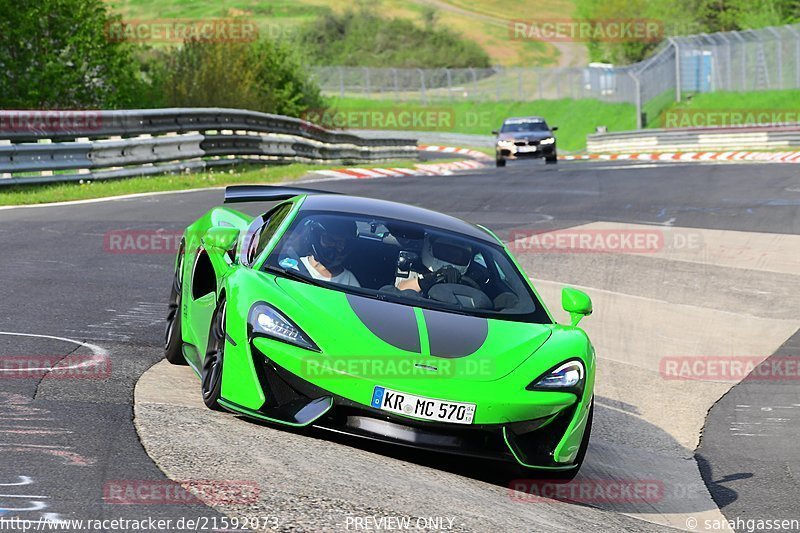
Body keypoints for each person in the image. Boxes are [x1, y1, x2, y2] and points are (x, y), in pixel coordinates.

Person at [280, 217, 361, 287]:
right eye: (329, 240)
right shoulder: (292, 265)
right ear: (316, 238)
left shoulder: (349, 280)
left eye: (340, 243)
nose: (334, 246)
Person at [396, 234, 472, 293]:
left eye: (457, 256)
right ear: (429, 248)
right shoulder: (412, 265)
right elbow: (399, 290)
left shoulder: (467, 279)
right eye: (447, 253)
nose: (452, 258)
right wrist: (429, 279)